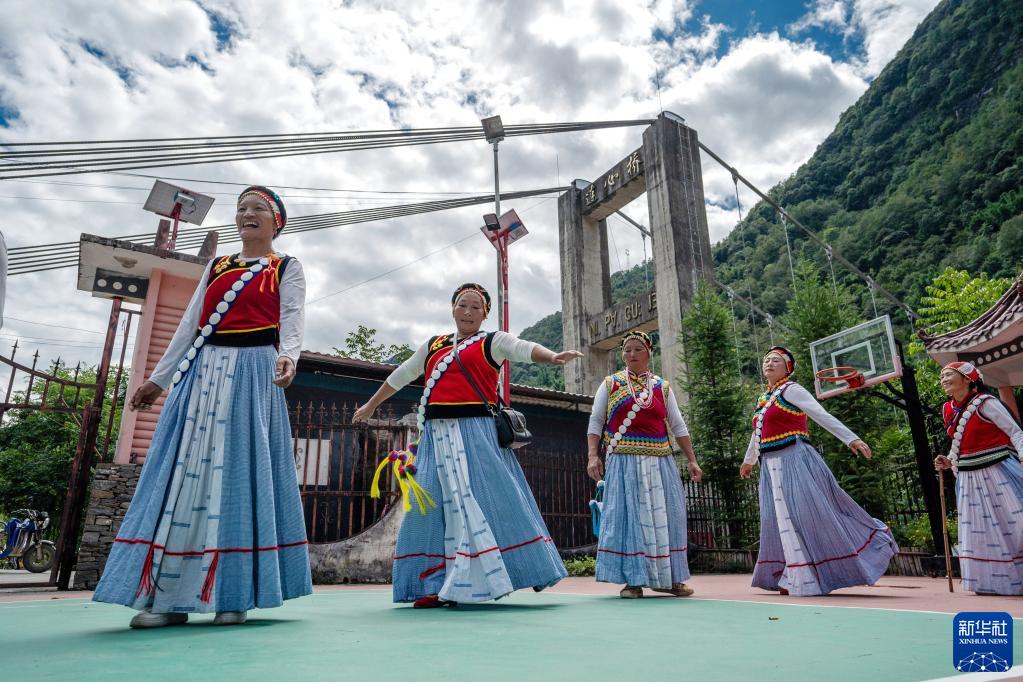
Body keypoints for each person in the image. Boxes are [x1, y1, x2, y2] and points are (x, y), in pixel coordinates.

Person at [93, 186, 312, 627]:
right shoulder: (217, 266)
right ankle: (167, 599)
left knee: (238, 474)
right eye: (242, 208)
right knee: (184, 475)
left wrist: (288, 355)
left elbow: (292, 316)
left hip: (254, 371)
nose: (247, 214)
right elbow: (190, 324)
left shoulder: (285, 267)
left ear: (276, 221)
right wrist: (158, 379)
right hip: (203, 372)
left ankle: (233, 594)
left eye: (258, 208)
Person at [353, 283, 582, 607]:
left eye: (476, 307)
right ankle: (432, 584)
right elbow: (401, 375)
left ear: (485, 314)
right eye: (463, 304)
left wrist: (552, 357)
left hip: (477, 434)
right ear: (453, 309)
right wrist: (371, 405)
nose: (468, 311)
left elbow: (522, 348)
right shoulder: (433, 345)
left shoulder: (492, 342)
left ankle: (502, 574)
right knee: (428, 506)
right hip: (434, 438)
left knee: (488, 502)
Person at [740, 346, 897, 596]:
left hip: (794, 458)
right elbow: (758, 431)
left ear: (787, 368)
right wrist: (749, 460)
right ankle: (796, 574)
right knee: (779, 519)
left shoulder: (792, 390)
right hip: (769, 463)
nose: (769, 363)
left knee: (806, 515)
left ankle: (820, 570)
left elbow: (820, 414)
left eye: (776, 360)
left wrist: (851, 438)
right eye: (766, 360)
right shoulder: (763, 399)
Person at [586, 331, 702, 598]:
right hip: (623, 460)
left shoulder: (662, 387)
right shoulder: (611, 384)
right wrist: (593, 455)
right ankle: (633, 581)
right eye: (627, 350)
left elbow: (677, 425)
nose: (632, 354)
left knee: (667, 517)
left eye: (638, 349)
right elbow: (596, 421)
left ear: (649, 352)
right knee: (631, 518)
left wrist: (692, 460)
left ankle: (669, 578)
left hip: (660, 460)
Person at [934, 361, 1023, 595]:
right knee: (979, 531)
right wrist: (948, 461)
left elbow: (1015, 432)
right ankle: (992, 583)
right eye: (942, 376)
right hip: (968, 478)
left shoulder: (986, 403)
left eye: (949, 375)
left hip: (998, 471)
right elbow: (960, 444)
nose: (944, 379)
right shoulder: (948, 409)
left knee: (1016, 524)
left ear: (967, 379)